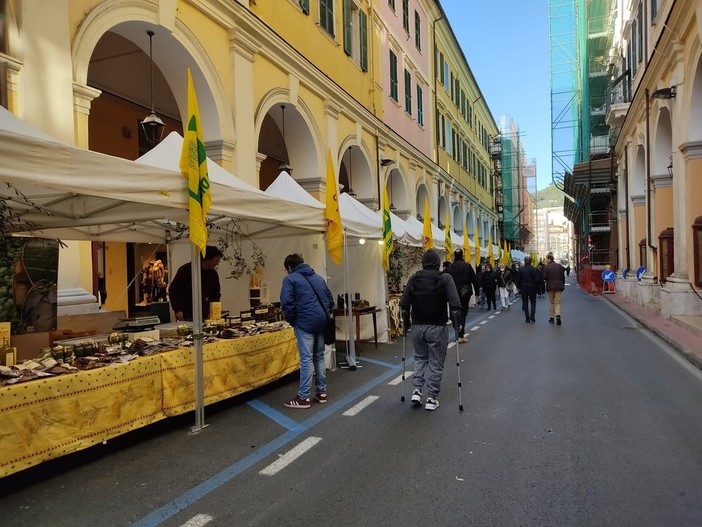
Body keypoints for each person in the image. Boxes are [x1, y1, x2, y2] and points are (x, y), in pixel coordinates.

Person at [400, 249, 461, 411]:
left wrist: (406, 324)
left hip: (417, 326)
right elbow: (455, 304)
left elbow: (404, 304)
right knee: (436, 362)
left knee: (420, 358)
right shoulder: (445, 278)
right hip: (437, 326)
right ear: (438, 263)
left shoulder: (414, 277)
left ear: (423, 262)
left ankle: (417, 391)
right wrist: (457, 326)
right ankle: (432, 398)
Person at [280, 253, 334, 409]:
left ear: (289, 268)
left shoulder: (290, 279)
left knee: (306, 359)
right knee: (319, 357)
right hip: (321, 322)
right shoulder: (317, 277)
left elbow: (287, 303)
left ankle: (303, 397)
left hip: (305, 323)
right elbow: (329, 299)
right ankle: (321, 392)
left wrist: (293, 320)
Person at [168, 245, 223, 322]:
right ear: (207, 259)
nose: (217, 264)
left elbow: (216, 294)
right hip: (187, 314)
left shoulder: (213, 274)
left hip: (207, 315)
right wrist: (178, 309)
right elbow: (174, 290)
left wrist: (214, 310)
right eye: (216, 260)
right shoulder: (186, 270)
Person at [447, 249, 479, 343]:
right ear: (462, 255)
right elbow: (474, 279)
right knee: (463, 313)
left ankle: (457, 330)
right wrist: (477, 292)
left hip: (453, 292)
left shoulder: (451, 267)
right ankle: (461, 335)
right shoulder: (467, 266)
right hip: (465, 292)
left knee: (454, 312)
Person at [543, 252, 566, 325]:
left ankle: (552, 317)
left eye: (546, 259)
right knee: (558, 302)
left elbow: (544, 277)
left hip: (550, 287)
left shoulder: (547, 267)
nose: (546, 260)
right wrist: (563, 285)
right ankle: (558, 315)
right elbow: (563, 277)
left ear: (549, 259)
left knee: (552, 302)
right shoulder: (560, 266)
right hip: (559, 286)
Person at [515, 255, 538, 323]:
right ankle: (533, 316)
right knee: (533, 302)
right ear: (531, 262)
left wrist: (519, 287)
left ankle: (527, 318)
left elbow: (517, 280)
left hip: (523, 288)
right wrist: (536, 288)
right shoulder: (534, 269)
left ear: (525, 261)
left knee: (525, 303)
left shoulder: (521, 269)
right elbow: (537, 279)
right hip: (532, 288)